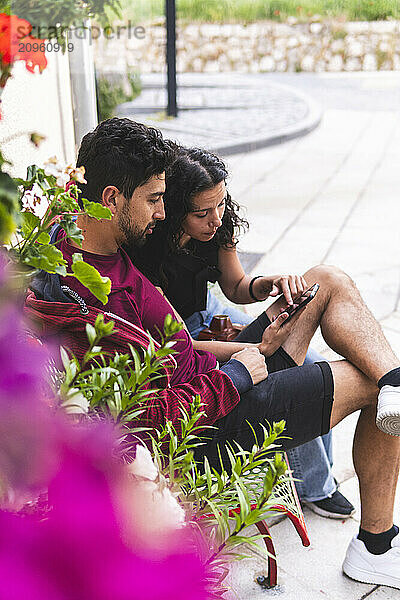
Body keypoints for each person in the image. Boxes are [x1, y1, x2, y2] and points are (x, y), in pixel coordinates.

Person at [26, 118, 400, 589]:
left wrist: (251, 350)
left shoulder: (101, 252)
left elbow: (181, 341)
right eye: (154, 199)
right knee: (369, 380)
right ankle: (376, 546)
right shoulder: (82, 301)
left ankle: (397, 381)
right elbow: (143, 420)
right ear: (111, 199)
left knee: (327, 280)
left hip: (224, 373)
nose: (162, 213)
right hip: (215, 417)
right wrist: (237, 377)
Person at [132, 146, 354, 520]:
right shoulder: (149, 249)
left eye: (220, 204)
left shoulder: (219, 225)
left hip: (210, 310)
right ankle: (316, 486)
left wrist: (267, 284)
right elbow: (181, 344)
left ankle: (314, 481)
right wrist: (255, 344)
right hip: (174, 333)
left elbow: (235, 285)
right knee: (284, 370)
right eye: (202, 213)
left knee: (310, 360)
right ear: (171, 210)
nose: (215, 219)